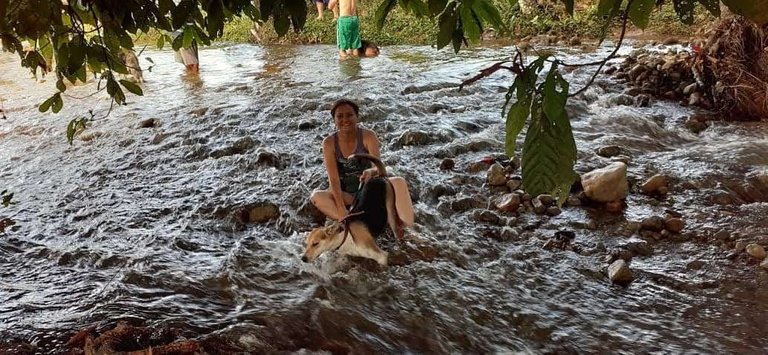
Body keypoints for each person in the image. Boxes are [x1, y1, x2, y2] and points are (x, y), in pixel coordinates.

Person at [310, 99, 414, 228]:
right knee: (317, 196)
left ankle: (407, 228)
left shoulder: (368, 136)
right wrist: (341, 207)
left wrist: (371, 171)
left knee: (399, 182)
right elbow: (334, 179)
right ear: (334, 120)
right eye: (340, 116)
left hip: (370, 190)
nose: (345, 120)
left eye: (349, 115)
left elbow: (378, 167)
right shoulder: (329, 143)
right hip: (347, 195)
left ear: (357, 116)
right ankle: (349, 221)